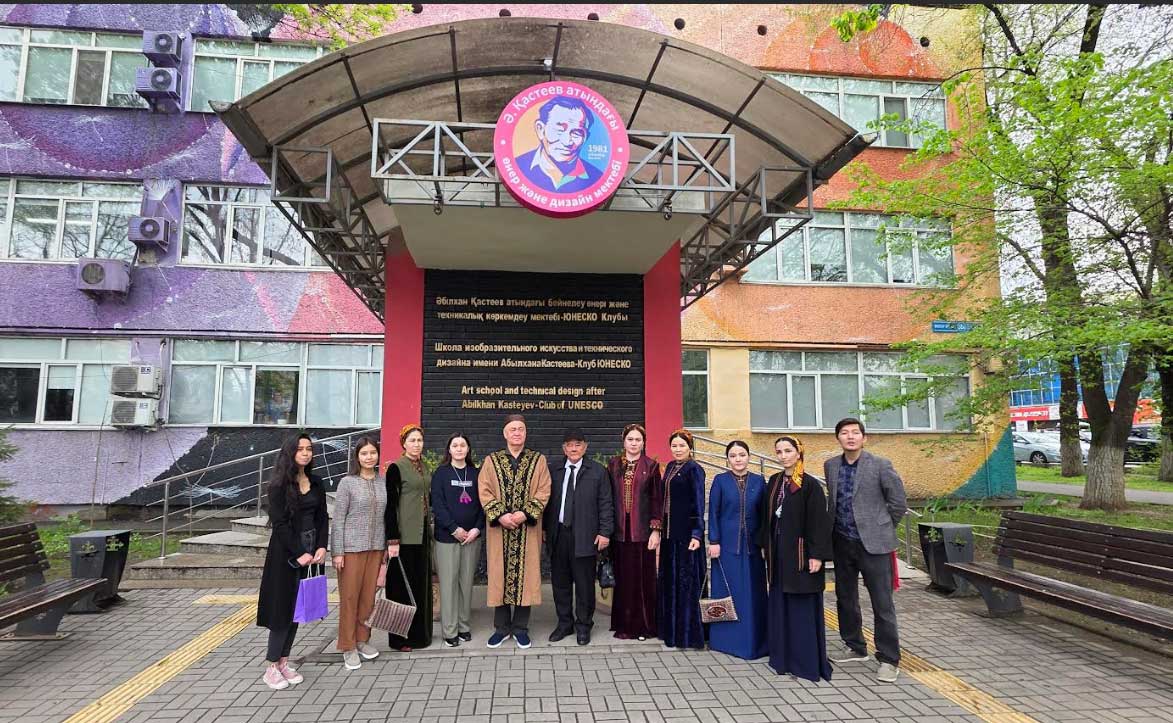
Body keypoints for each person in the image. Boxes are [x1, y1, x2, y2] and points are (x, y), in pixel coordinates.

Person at [825, 417, 908, 684]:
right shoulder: (831, 465)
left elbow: (898, 503)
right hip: (842, 541)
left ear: (864, 438)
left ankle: (889, 659)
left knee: (882, 603)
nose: (850, 437)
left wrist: (882, 527)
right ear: (838, 438)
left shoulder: (880, 465)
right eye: (844, 433)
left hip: (874, 544)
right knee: (845, 597)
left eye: (855, 432)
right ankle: (855, 646)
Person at [758, 435, 833, 682]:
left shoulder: (810, 485)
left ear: (798, 453)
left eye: (788, 451)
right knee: (780, 603)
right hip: (778, 554)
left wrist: (817, 555)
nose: (783, 456)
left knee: (801, 606)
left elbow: (818, 523)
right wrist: (764, 544)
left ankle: (804, 661)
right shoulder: (774, 481)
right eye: (779, 452)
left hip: (801, 554)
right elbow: (766, 517)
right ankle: (782, 657)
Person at [256, 434, 327, 690]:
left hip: (311, 551)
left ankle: (284, 662)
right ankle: (271, 666)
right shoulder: (278, 486)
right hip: (285, 555)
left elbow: (322, 517)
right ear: (290, 452)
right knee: (282, 610)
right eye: (300, 449)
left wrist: (321, 546)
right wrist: (299, 552)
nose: (306, 453)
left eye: (309, 449)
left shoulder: (316, 482)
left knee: (298, 609)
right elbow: (280, 524)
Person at [479, 414, 552, 649]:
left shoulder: (538, 460)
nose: (517, 433)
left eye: (521, 429)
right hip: (499, 531)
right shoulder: (492, 461)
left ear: (526, 433)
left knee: (526, 577)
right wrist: (500, 515)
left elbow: (544, 490)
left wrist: (525, 513)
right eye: (513, 429)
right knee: (499, 576)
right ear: (505, 433)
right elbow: (484, 490)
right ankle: (501, 628)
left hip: (527, 530)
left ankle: (520, 628)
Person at [544, 428, 614, 645]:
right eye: (569, 445)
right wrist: (545, 530)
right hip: (558, 535)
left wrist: (605, 532)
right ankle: (564, 624)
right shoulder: (553, 470)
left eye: (578, 444)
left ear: (585, 447)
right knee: (560, 584)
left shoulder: (598, 471)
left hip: (586, 535)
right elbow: (546, 503)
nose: (573, 448)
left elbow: (606, 503)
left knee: (584, 585)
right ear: (564, 448)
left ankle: (583, 625)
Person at [330, 435, 387, 670]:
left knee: (368, 598)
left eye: (373, 453)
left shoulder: (383, 482)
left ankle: (363, 639)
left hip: (376, 547)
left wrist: (386, 548)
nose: (369, 457)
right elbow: (338, 519)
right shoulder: (347, 483)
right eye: (364, 453)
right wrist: (337, 552)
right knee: (350, 598)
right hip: (351, 548)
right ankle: (348, 645)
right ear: (357, 457)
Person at [707, 440, 768, 660]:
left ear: (749, 456)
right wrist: (714, 540)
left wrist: (765, 544)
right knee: (726, 591)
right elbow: (713, 512)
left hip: (753, 549)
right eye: (733, 456)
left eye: (742, 454)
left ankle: (755, 641)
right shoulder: (720, 481)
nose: (738, 459)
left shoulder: (759, 481)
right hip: (726, 548)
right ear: (727, 459)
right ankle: (724, 641)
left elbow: (764, 516)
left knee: (753, 593)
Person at [606, 423, 662, 641]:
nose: (634, 443)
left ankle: (643, 626)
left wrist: (655, 531)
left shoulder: (652, 466)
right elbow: (607, 498)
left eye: (638, 440)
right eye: (630, 439)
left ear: (643, 442)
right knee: (623, 579)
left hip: (642, 532)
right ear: (624, 441)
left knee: (643, 580)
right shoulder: (613, 465)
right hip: (619, 532)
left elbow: (656, 500)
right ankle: (623, 624)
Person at [431, 432, 484, 648]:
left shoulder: (476, 473)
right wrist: (454, 529)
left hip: (472, 538)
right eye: (455, 445)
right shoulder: (441, 474)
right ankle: (450, 630)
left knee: (466, 583)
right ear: (449, 449)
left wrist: (477, 529)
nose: (459, 449)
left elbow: (484, 504)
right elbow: (438, 505)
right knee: (449, 584)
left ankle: (463, 626)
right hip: (447, 538)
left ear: (468, 449)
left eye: (463, 445)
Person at [384, 424, 434, 651]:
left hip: (422, 534)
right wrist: (392, 539)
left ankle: (420, 636)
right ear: (403, 443)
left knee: (419, 586)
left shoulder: (423, 466)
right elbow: (390, 506)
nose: (416, 444)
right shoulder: (396, 468)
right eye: (412, 440)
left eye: (419, 440)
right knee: (400, 589)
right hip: (404, 537)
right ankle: (399, 639)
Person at [655, 429, 705, 649]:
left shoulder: (694, 469)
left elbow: (699, 503)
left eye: (682, 445)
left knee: (686, 585)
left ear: (690, 447)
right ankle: (671, 631)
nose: (677, 449)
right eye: (674, 445)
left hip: (687, 536)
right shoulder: (670, 467)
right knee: (671, 583)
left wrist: (697, 533)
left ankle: (687, 635)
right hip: (669, 535)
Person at [515, 97, 604, 194]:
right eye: (560, 129)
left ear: (585, 138)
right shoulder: (517, 167)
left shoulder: (598, 178)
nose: (567, 142)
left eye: (577, 133)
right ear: (540, 129)